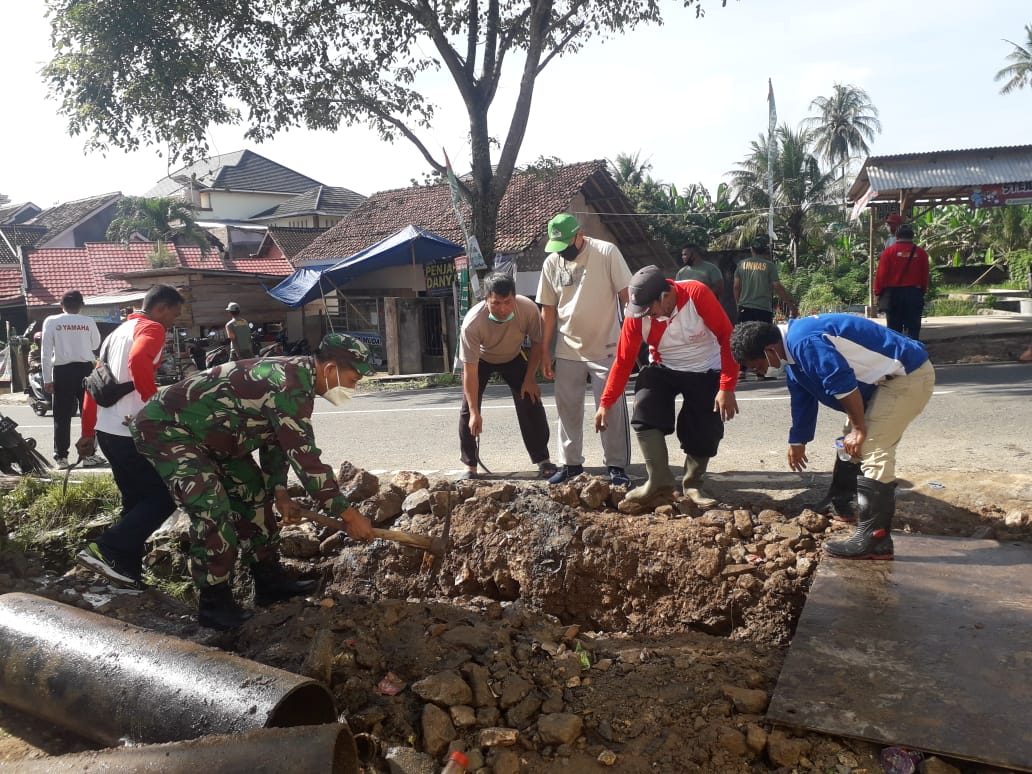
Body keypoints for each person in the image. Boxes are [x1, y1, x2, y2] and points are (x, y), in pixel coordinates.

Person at [130, 333, 377, 630]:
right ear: (330, 368)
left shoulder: (302, 378)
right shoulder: (289, 385)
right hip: (168, 429)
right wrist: (348, 515)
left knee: (255, 493)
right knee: (211, 505)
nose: (353, 386)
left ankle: (268, 580)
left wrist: (280, 490)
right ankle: (214, 602)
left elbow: (277, 441)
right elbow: (306, 460)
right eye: (353, 377)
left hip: (217, 437)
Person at [730, 315, 935, 560]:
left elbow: (842, 384)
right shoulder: (791, 350)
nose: (760, 372)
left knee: (872, 447)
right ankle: (841, 500)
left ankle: (875, 539)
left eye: (757, 366)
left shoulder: (805, 342)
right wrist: (798, 440)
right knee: (847, 442)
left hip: (906, 377)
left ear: (769, 350)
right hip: (882, 383)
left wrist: (859, 427)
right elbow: (802, 398)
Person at [595, 266, 739, 507]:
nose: (644, 316)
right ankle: (659, 481)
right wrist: (605, 404)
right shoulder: (637, 316)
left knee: (704, 426)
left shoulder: (697, 294)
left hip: (706, 369)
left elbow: (727, 337)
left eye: (649, 310)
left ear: (665, 296)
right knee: (645, 405)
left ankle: (693, 485)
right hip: (665, 368)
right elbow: (623, 361)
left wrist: (726, 387)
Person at [74, 284, 186, 588]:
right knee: (163, 498)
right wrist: (155, 403)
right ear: (161, 308)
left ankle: (125, 571)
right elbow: (138, 361)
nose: (173, 322)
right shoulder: (152, 328)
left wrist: (87, 433)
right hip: (133, 430)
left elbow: (94, 385)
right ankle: (107, 548)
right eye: (174, 315)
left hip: (108, 432)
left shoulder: (115, 335)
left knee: (135, 502)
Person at [537, 213, 633, 486]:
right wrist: (545, 350)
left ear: (579, 235)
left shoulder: (606, 252)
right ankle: (571, 465)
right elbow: (548, 310)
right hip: (568, 348)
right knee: (567, 408)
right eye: (558, 248)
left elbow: (627, 298)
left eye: (567, 246)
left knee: (611, 407)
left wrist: (631, 340)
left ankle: (616, 466)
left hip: (607, 346)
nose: (563, 253)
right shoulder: (552, 262)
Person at [457, 272, 556, 481]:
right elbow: (470, 371)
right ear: (486, 300)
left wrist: (530, 378)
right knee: (469, 408)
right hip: (482, 360)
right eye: (496, 303)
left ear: (515, 297)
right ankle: (470, 466)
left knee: (530, 399)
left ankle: (543, 459)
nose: (502, 309)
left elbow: (537, 343)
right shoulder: (472, 323)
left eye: (507, 302)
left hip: (513, 356)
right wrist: (475, 412)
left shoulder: (527, 309)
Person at [40, 289, 105, 468]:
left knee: (61, 416)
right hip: (86, 370)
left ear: (62, 305)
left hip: (62, 371)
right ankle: (88, 455)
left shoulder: (52, 321)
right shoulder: (88, 321)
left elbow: (45, 352)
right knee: (89, 414)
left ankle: (61, 457)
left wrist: (47, 378)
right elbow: (95, 344)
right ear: (81, 305)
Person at [874, 224, 929, 341]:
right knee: (913, 329)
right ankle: (913, 354)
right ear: (912, 236)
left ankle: (896, 355)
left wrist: (878, 292)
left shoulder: (888, 252)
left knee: (894, 329)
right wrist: (921, 292)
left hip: (893, 295)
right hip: (914, 294)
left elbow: (881, 275)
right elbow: (925, 275)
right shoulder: (921, 253)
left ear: (897, 237)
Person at [733, 235, 794, 325]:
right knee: (763, 338)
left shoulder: (741, 264)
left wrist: (738, 305)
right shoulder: (769, 265)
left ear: (751, 249)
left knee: (745, 337)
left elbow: (736, 287)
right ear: (765, 250)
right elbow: (777, 286)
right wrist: (789, 304)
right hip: (763, 309)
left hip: (744, 309)